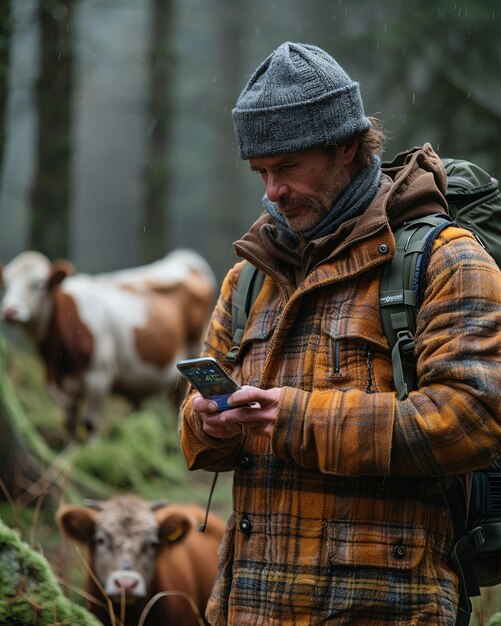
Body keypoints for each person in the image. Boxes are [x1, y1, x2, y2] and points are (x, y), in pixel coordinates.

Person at [179, 42, 501, 625]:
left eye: (287, 168)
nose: (271, 192)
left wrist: (299, 421)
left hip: (390, 608)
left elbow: (475, 421)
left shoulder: (446, 260)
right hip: (247, 608)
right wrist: (208, 421)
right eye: (261, 173)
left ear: (346, 147)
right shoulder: (248, 278)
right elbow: (195, 436)